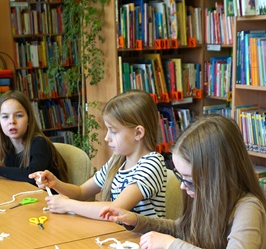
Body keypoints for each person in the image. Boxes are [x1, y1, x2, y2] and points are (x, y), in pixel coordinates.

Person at [98, 115, 266, 249]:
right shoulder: (204, 195)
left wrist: (170, 245)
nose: (182, 186)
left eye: (189, 179)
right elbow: (180, 228)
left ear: (217, 177)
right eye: (180, 177)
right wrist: (138, 220)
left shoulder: (249, 208)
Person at [31, 89, 167, 220]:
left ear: (138, 133)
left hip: (145, 241)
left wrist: (67, 205)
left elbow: (115, 209)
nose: (107, 137)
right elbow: (81, 192)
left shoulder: (152, 164)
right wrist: (56, 183)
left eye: (113, 131)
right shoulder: (118, 161)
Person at [0, 90, 68, 182]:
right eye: (5, 117)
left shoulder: (39, 143)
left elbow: (32, 175)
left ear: (29, 119)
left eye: (19, 115)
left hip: (50, 200)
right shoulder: (6, 145)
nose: (12, 121)